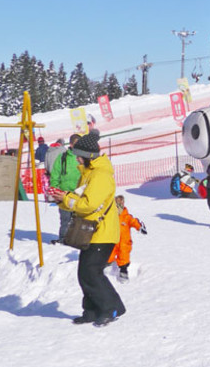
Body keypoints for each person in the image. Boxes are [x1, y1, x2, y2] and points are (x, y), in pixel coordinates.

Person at [57, 129, 126, 326]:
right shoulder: (89, 174)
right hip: (91, 231)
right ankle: (91, 310)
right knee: (85, 273)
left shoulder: (101, 175)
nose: (77, 160)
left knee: (91, 272)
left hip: (102, 232)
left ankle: (111, 307)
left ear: (87, 157)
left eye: (79, 156)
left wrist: (66, 199)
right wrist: (62, 199)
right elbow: (79, 200)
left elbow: (89, 204)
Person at [45, 134, 82, 244]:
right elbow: (55, 174)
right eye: (76, 144)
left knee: (79, 219)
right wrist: (55, 189)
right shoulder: (62, 157)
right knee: (65, 219)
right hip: (64, 193)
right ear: (71, 144)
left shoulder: (83, 157)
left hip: (79, 193)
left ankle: (78, 239)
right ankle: (63, 239)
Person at [108, 195, 146, 284]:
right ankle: (107, 266)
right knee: (109, 253)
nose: (118, 208)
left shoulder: (127, 216)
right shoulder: (110, 216)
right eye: (117, 205)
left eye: (120, 205)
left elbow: (134, 222)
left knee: (124, 256)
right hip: (112, 240)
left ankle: (123, 270)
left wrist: (140, 227)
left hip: (124, 242)